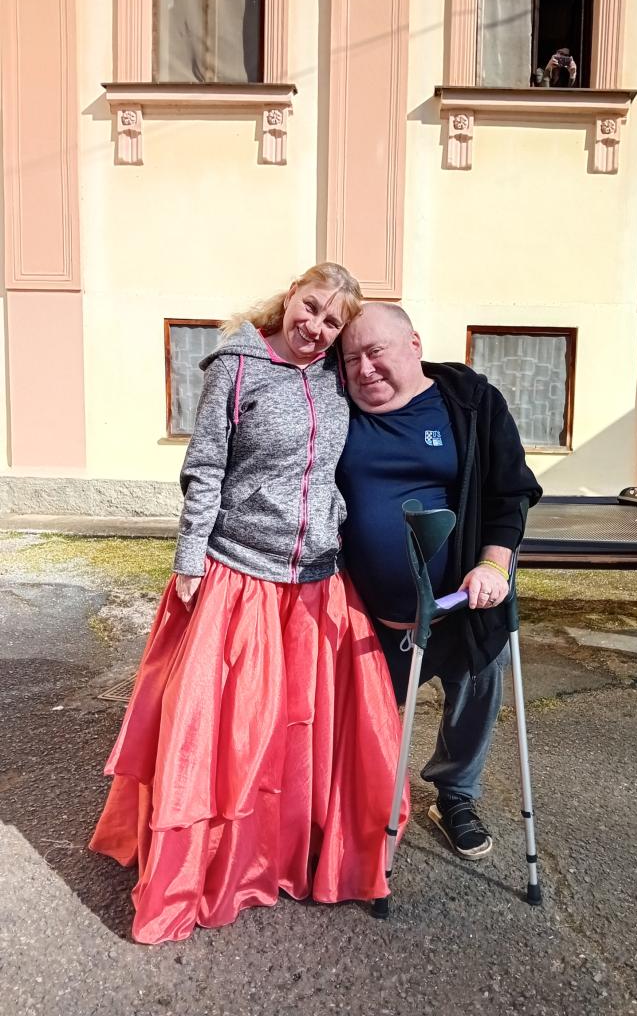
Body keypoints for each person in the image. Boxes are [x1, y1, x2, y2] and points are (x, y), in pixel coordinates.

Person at [89, 264, 408, 943]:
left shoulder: (336, 373)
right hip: (240, 573)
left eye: (332, 321)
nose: (316, 327)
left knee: (301, 733)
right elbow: (205, 467)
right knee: (229, 734)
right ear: (290, 295)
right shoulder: (235, 367)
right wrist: (189, 556)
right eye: (311, 307)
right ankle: (212, 868)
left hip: (319, 578)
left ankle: (290, 856)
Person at [336, 303, 541, 860]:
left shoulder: (470, 402)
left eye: (375, 352)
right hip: (361, 610)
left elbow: (510, 493)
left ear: (414, 345)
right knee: (358, 719)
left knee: (479, 680)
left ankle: (455, 795)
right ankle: (360, 804)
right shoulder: (333, 407)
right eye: (350, 358)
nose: (364, 369)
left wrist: (494, 565)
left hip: (460, 600)